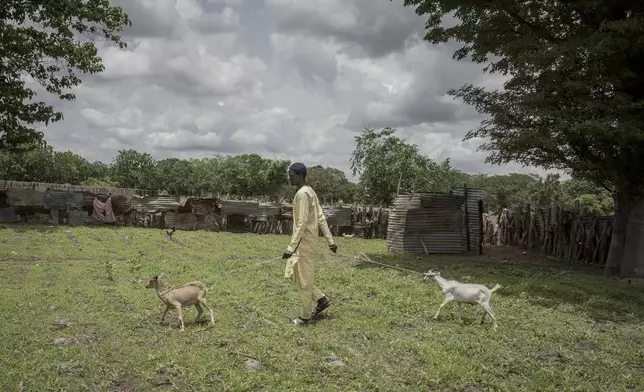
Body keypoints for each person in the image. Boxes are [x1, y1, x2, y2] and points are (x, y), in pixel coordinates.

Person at [282, 162, 338, 325]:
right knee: (295, 275)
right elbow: (320, 217)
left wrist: (291, 248)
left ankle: (305, 317)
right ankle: (322, 299)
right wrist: (330, 241)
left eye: (291, 175)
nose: (289, 178)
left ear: (299, 175)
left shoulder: (302, 194)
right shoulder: (310, 191)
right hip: (307, 243)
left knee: (303, 281)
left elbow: (302, 223)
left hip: (303, 244)